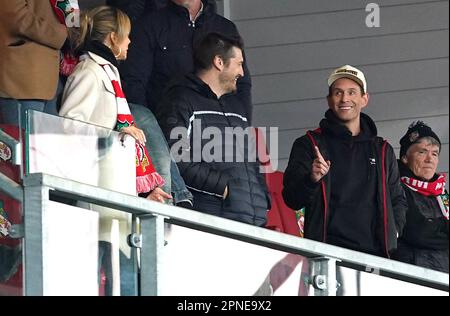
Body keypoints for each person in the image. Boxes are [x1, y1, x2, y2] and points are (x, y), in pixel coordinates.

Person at [59, 5, 172, 295]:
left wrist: (144, 190)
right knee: (111, 277)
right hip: (99, 192)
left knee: (126, 274)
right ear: (112, 38)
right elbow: (69, 125)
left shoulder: (108, 72)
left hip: (119, 191)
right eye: (127, 36)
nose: (131, 42)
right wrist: (117, 132)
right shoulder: (89, 71)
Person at [283, 65, 408, 257]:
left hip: (376, 259)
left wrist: (394, 232)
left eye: (352, 92)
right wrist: (312, 179)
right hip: (326, 256)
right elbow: (291, 198)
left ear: (364, 99)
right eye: (338, 92)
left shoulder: (383, 150)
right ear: (329, 100)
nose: (345, 99)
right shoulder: (309, 144)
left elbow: (398, 199)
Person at [158, 32, 269, 226]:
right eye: (239, 63)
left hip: (253, 222)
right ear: (219, 62)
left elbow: (253, 160)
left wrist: (263, 198)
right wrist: (225, 187)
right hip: (210, 223)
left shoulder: (237, 107)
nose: (242, 73)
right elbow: (176, 160)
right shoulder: (180, 99)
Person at [119, 0, 252, 123]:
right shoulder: (149, 26)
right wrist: (150, 133)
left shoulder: (225, 28)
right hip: (167, 131)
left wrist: (243, 126)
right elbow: (134, 84)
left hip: (219, 130)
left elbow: (242, 83)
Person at [392, 121, 448, 273]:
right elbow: (418, 232)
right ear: (404, 157)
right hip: (412, 278)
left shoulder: (442, 193)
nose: (429, 159)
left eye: (434, 153)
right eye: (422, 152)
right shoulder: (395, 187)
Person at [0, 0, 68, 125]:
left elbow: (69, 12)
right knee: (24, 141)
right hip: (25, 78)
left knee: (47, 142)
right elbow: (17, 17)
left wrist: (76, 32)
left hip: (59, 77)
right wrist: (62, 35)